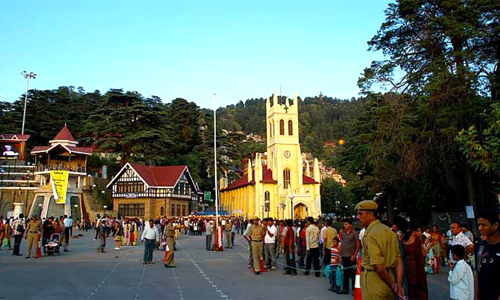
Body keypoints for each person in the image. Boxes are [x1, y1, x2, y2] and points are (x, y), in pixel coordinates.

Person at [355, 200, 405, 300]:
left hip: (374, 281)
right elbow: (398, 260)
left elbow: (379, 267)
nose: (357, 217)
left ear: (370, 214)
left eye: (360, 214)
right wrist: (398, 285)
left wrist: (392, 286)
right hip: (390, 278)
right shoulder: (389, 232)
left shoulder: (370, 234)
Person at [475, 210, 500, 300]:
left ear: (495, 225)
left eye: (484, 225)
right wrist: (476, 296)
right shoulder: (480, 246)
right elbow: (478, 272)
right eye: (479, 225)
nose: (480, 228)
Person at [402, 227, 428, 300]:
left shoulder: (402, 240)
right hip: (417, 266)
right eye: (419, 231)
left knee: (410, 288)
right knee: (420, 288)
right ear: (413, 232)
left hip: (407, 266)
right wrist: (429, 245)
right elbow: (424, 253)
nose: (420, 233)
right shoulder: (417, 240)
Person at [338, 219, 360, 294]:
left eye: (346, 224)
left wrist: (354, 255)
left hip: (351, 256)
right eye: (344, 224)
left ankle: (354, 290)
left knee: (352, 273)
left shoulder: (354, 233)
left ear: (350, 225)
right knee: (345, 272)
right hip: (344, 255)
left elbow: (358, 245)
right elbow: (342, 243)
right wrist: (339, 254)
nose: (345, 226)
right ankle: (345, 288)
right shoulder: (343, 233)